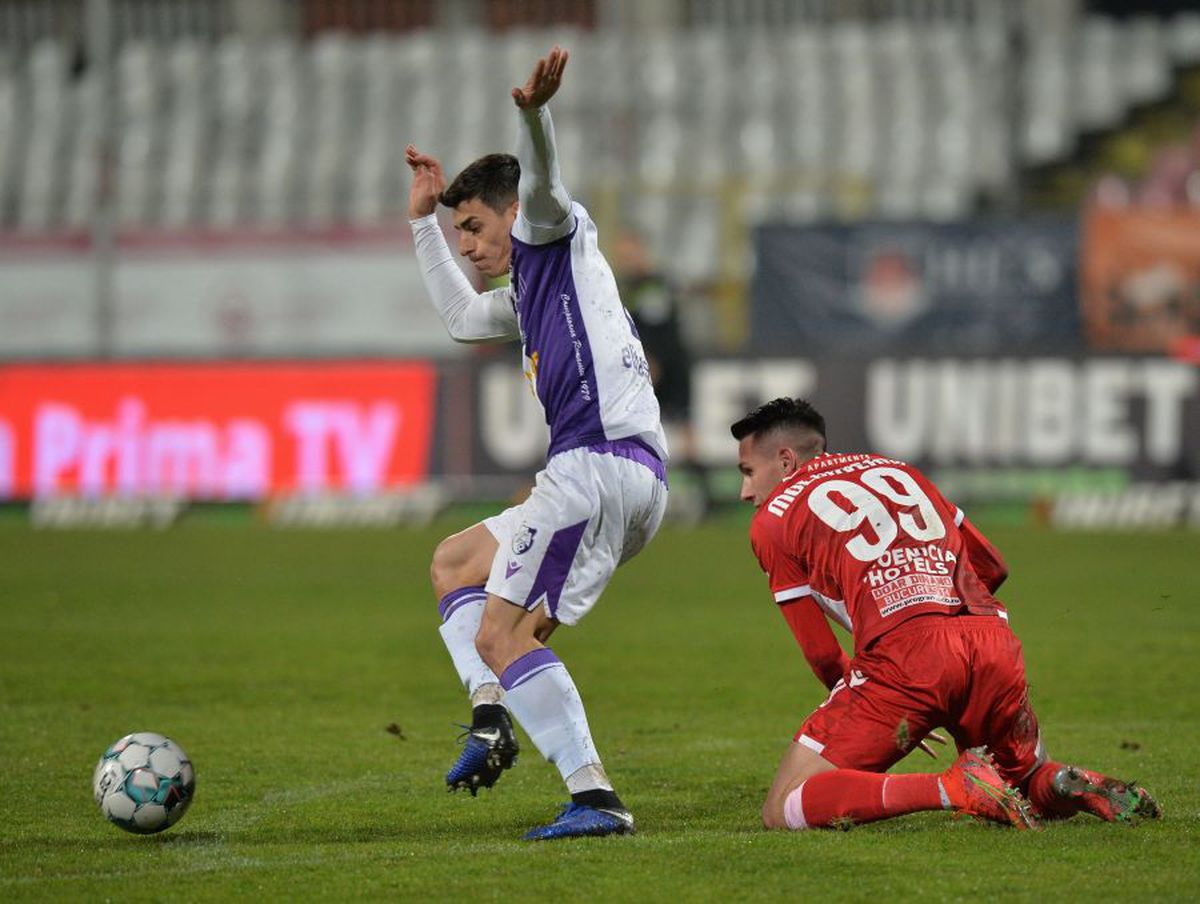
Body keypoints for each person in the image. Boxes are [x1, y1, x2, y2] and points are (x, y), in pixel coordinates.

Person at [405, 46, 668, 841]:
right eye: (459, 236)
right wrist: (422, 222)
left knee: (500, 634)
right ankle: (492, 716)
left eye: (474, 228)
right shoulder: (528, 293)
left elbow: (544, 183)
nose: (469, 248)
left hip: (597, 466)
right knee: (455, 563)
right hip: (614, 476)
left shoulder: (554, 233)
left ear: (510, 214)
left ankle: (594, 796)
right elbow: (458, 319)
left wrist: (533, 114)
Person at [732, 397, 1161, 831]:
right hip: (990, 641)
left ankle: (950, 788)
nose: (745, 491)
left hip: (905, 660)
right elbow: (993, 565)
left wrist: (885, 695)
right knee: (1022, 781)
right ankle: (1070, 783)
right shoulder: (901, 471)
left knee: (783, 807)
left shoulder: (772, 520)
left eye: (748, 472)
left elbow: (824, 657)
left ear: (786, 461)